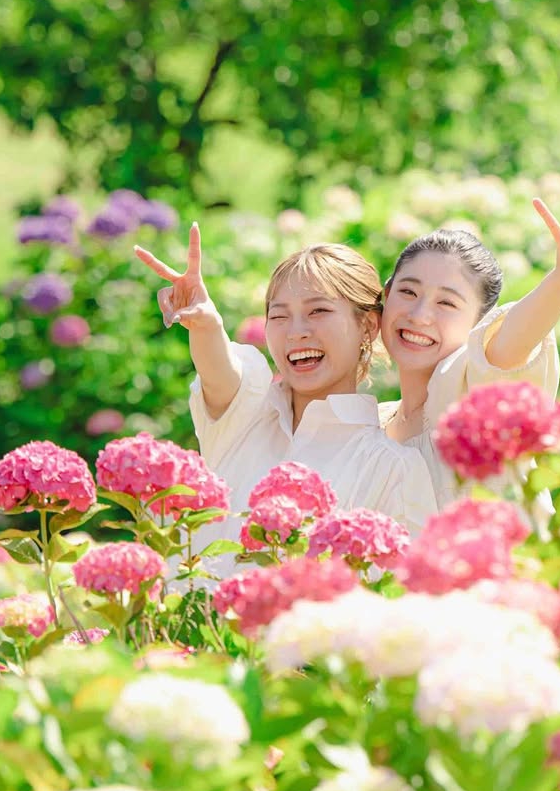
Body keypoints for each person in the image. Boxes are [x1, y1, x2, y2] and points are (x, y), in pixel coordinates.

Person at [134, 226, 437, 561]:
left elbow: (396, 592)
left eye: (317, 311)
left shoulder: (390, 469)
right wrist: (206, 325)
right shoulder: (246, 418)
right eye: (278, 315)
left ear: (367, 325)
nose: (295, 332)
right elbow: (219, 371)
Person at [379, 178, 560, 507]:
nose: (419, 314)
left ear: (480, 324)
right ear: (386, 296)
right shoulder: (372, 422)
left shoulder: (469, 392)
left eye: (447, 304)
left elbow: (512, 342)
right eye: (408, 292)